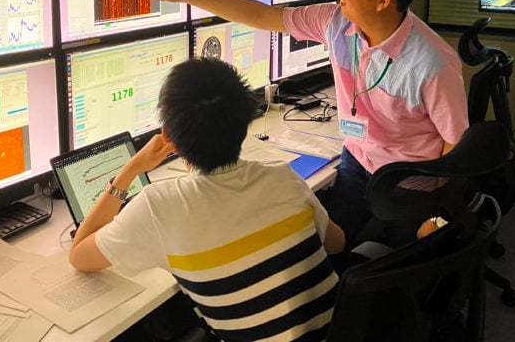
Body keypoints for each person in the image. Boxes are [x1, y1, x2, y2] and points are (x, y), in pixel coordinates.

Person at [140, 0, 469, 250]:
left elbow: (459, 146)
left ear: (383, 0)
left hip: (409, 182)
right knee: (329, 249)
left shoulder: (433, 64)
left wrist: (436, 213)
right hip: (357, 161)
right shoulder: (335, 23)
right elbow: (262, 15)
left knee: (407, 275)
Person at [70, 58, 345, 342]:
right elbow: (337, 244)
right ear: (245, 123)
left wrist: (131, 169)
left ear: (167, 136)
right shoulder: (282, 178)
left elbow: (79, 255)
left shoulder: (158, 207)